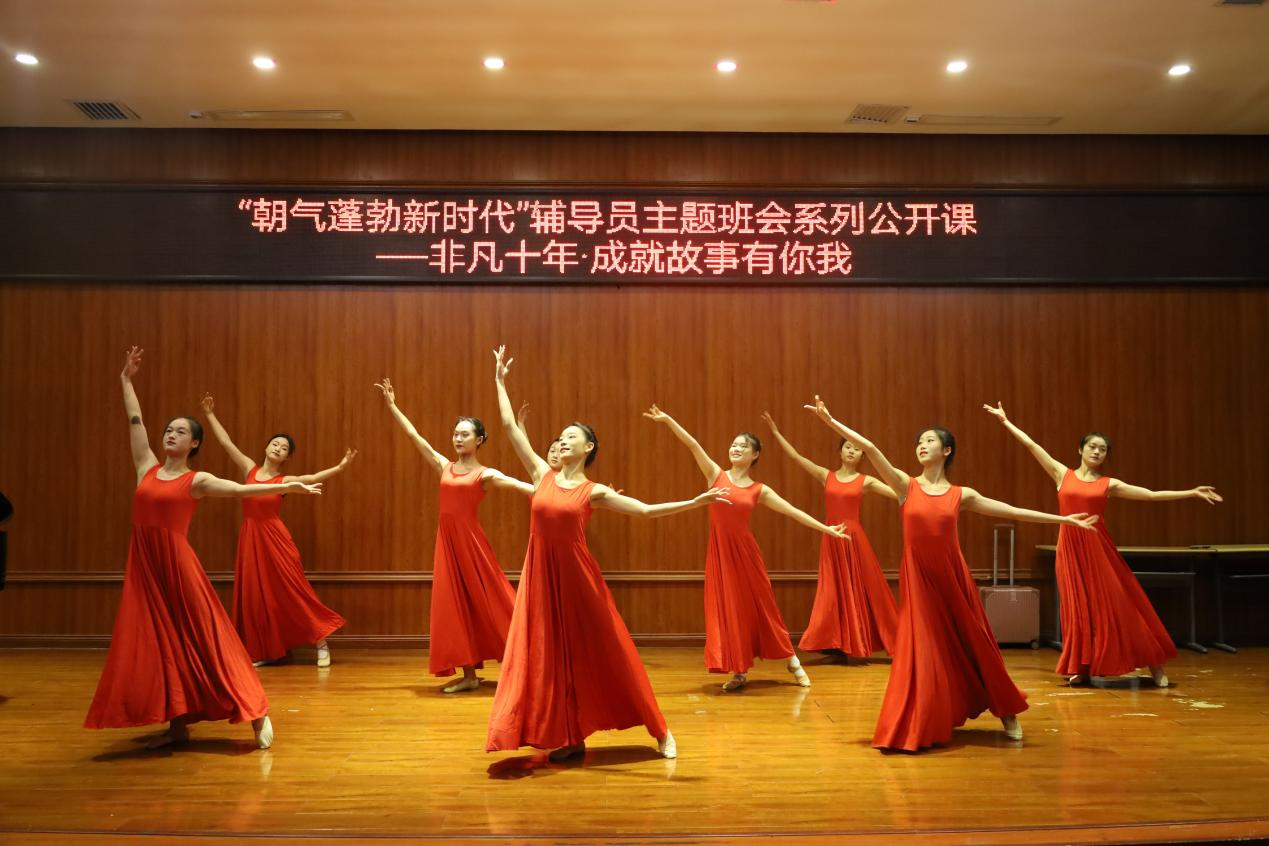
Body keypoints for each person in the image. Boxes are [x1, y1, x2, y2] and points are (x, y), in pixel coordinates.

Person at [805, 396, 1098, 751]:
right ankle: (916, 724)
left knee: (974, 643)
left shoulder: (962, 495)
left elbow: (1011, 510)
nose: (921, 445)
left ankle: (1007, 710)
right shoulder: (904, 486)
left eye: (929, 440)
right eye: (919, 441)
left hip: (953, 577)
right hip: (919, 580)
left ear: (946, 451)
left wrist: (1063, 519)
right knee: (921, 649)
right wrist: (830, 422)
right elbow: (870, 448)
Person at [486, 346, 729, 761]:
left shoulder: (593, 491)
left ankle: (660, 729)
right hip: (541, 580)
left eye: (571, 437)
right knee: (548, 659)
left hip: (580, 582)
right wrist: (499, 380)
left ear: (589, 447)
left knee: (611, 653)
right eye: (561, 437)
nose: (563, 441)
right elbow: (509, 427)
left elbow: (646, 511)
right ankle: (570, 736)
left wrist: (694, 502)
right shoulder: (541, 475)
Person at [86, 347, 320, 750]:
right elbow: (134, 419)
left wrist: (289, 487)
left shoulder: (197, 480)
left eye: (180, 431)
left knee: (208, 635)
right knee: (161, 642)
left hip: (178, 566)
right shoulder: (146, 466)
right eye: (168, 429)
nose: (170, 434)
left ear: (194, 443)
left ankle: (256, 711)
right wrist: (125, 379)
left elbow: (242, 490)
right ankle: (177, 725)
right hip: (145, 566)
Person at [983, 402, 1221, 687]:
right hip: (1069, 550)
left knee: (1120, 604)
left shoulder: (1109, 484)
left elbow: (1151, 495)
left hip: (1098, 550)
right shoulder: (1061, 474)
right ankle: (1082, 668)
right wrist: (1006, 422)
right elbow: (1032, 446)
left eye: (1103, 449)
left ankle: (1155, 666)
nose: (1097, 452)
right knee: (1078, 610)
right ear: (1080, 449)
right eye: (1092, 447)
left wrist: (1191, 492)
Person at [643, 405, 849, 692]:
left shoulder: (759, 490)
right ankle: (739, 671)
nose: (736, 448)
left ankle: (793, 662)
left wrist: (827, 530)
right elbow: (693, 445)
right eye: (734, 444)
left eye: (743, 446)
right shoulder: (715, 475)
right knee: (730, 611)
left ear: (755, 455)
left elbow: (793, 511)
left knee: (764, 609)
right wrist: (668, 420)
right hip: (720, 555)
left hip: (747, 555)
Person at [375, 377, 532, 693]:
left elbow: (525, 487)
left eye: (465, 434)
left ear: (479, 440)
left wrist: (569, 491)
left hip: (471, 544)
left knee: (494, 600)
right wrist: (392, 406)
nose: (458, 438)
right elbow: (415, 436)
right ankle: (470, 676)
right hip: (447, 544)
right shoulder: (443, 465)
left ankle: (529, 664)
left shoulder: (485, 474)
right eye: (456, 433)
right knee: (454, 607)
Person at [201, 395, 353, 668]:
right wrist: (210, 415)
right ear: (266, 447)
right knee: (257, 597)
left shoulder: (285, 480)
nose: (278, 448)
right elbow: (226, 443)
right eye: (275, 444)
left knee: (293, 591)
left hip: (276, 540)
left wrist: (340, 467)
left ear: (286, 457)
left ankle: (321, 642)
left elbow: (312, 478)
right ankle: (268, 651)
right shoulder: (249, 468)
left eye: (284, 448)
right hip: (251, 538)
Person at [762, 411, 898, 661]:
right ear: (840, 451)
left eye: (857, 449)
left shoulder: (867, 481)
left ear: (862, 455)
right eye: (848, 447)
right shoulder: (827, 476)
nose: (852, 451)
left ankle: (871, 641)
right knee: (833, 590)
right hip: (830, 536)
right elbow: (796, 457)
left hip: (853, 538)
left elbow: (899, 492)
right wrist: (776, 433)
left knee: (861, 589)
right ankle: (837, 643)